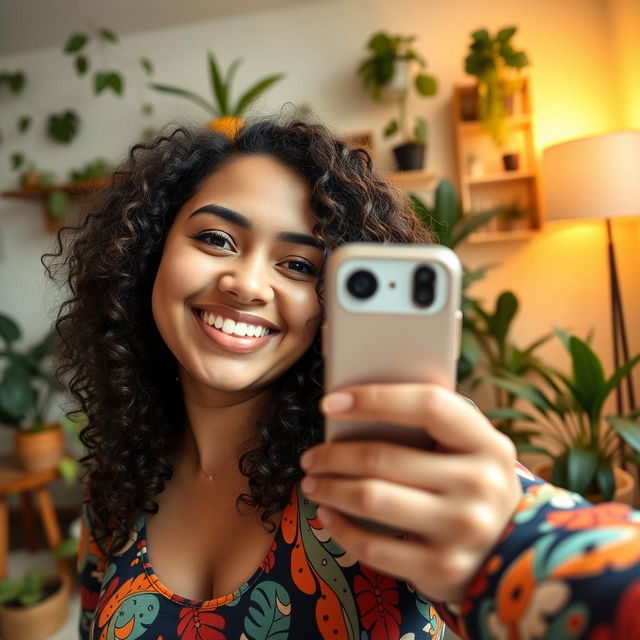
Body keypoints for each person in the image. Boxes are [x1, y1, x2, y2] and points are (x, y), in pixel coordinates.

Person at [47, 119, 640, 640]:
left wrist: (502, 539)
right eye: (216, 239)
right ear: (150, 253)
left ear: (330, 304)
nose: (248, 284)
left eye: (299, 265)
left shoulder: (388, 466)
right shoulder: (114, 483)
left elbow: (586, 579)